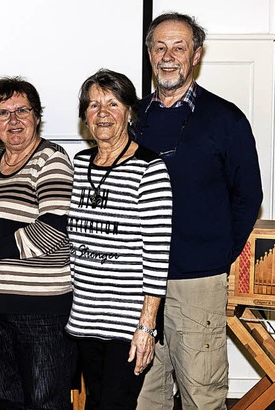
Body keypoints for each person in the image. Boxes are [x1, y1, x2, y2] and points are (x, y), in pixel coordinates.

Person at [134, 13, 263, 410]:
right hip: (136, 284)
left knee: (202, 395)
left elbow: (248, 197)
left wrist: (216, 255)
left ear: (196, 55)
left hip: (197, 284)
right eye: (160, 47)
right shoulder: (131, 119)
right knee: (143, 395)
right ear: (149, 53)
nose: (168, 56)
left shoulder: (226, 119)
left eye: (179, 47)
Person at [0, 77, 75, 409]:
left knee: (46, 402)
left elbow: (54, 228)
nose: (14, 120)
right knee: (6, 400)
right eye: (3, 113)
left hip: (41, 313)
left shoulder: (52, 160)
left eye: (22, 110)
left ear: (37, 116)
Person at [64, 69, 172, 410]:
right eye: (94, 105)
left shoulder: (149, 169)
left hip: (127, 324)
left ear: (129, 112)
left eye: (113, 103)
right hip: (83, 319)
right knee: (96, 402)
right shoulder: (78, 165)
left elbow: (157, 256)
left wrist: (147, 327)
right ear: (85, 117)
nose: (103, 113)